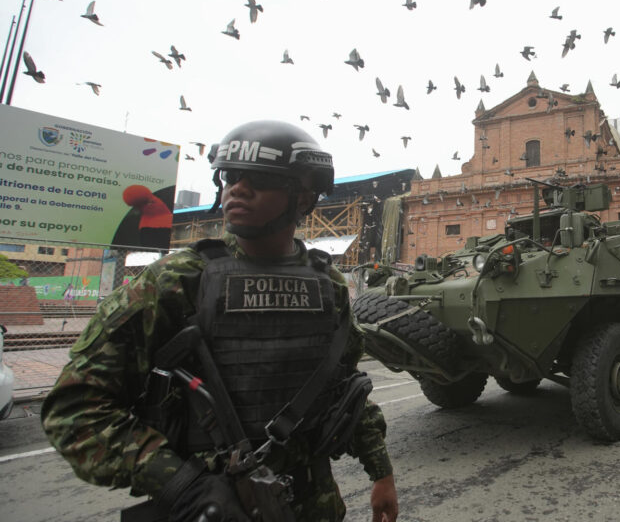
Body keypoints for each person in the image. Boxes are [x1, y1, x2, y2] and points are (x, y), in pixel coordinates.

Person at [41, 121, 399, 522]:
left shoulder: (328, 285)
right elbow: (74, 410)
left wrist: (381, 472)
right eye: (229, 176)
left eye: (260, 179)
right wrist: (181, 483)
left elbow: (345, 388)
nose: (237, 189)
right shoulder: (178, 282)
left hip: (313, 506)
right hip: (212, 509)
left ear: (304, 197)